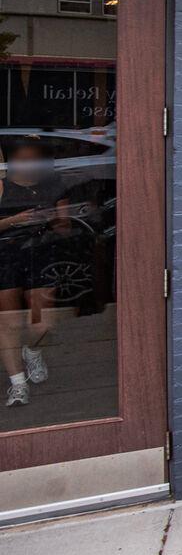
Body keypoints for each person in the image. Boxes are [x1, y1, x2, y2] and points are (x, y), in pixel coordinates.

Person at [0, 139, 70, 407]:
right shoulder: (2, 185)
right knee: (9, 322)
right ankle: (18, 383)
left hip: (42, 252)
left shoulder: (54, 184)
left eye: (34, 160)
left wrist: (54, 219)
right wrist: (15, 220)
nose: (29, 166)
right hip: (6, 255)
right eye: (23, 160)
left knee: (43, 322)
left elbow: (65, 226)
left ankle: (32, 350)